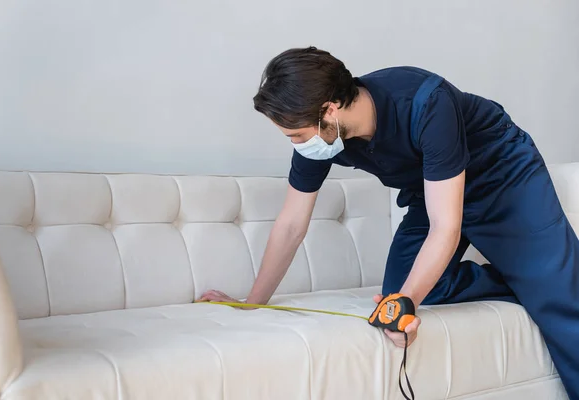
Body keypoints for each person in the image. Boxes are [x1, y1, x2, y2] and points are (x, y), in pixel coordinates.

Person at [197, 46, 579, 399]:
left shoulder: (427, 102)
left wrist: (409, 304)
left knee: (560, 301)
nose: (296, 145)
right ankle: (535, 276)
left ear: (328, 110)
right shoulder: (321, 137)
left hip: (501, 175)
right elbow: (292, 224)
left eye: (297, 135)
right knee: (401, 290)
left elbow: (446, 226)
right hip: (430, 188)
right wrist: (253, 304)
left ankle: (549, 279)